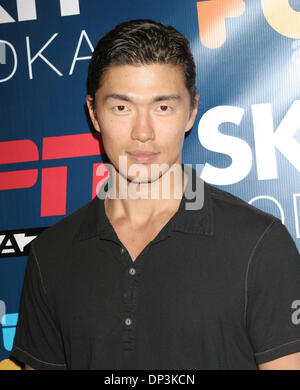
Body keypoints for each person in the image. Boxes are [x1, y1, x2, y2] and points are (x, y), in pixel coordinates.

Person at [10, 19, 300, 370]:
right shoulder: (51, 254)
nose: (142, 132)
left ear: (192, 112)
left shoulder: (259, 244)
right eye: (122, 107)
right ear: (93, 113)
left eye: (162, 107)